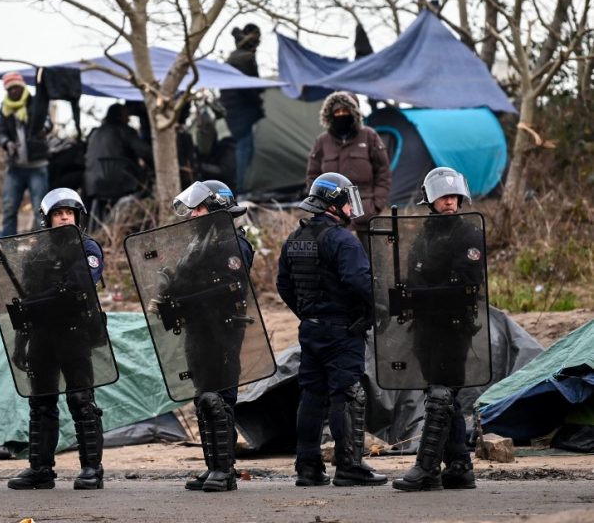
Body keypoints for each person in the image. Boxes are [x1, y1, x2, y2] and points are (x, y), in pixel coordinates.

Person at [276, 172, 387, 487]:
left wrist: (308, 313)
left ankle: (308, 468)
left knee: (312, 396)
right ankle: (349, 466)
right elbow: (360, 281)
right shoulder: (342, 240)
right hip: (343, 332)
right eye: (347, 203)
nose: (352, 210)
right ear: (335, 204)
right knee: (346, 396)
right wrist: (383, 307)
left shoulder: (295, 239)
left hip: (310, 331)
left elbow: (283, 285)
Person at [7, 188, 107, 491]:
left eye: (69, 212)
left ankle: (92, 469)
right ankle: (40, 469)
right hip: (42, 336)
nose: (64, 217)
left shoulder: (88, 248)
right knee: (40, 403)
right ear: (47, 219)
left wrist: (41, 303)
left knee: (81, 400)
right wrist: (20, 342)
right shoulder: (36, 252)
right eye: (58, 213)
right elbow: (26, 300)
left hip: (74, 333)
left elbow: (78, 285)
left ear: (78, 217)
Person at [392, 167, 484, 492]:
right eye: (443, 197)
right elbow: (415, 275)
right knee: (444, 398)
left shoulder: (467, 234)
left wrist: (421, 296)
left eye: (453, 197)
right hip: (426, 328)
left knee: (442, 395)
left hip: (453, 327)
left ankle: (426, 468)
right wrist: (401, 296)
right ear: (430, 200)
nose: (450, 203)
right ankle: (459, 466)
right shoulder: (425, 234)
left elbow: (467, 284)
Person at [167, 180, 254, 493]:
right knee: (203, 398)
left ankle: (224, 469)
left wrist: (189, 291)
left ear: (217, 208)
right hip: (197, 329)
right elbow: (183, 282)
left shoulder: (234, 243)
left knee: (220, 400)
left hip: (223, 331)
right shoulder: (198, 244)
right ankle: (212, 465)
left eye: (199, 208)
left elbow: (226, 288)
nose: (193, 214)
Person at [305, 91, 391, 251]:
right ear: (330, 115)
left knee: (371, 264)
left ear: (355, 113)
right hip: (333, 216)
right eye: (337, 112)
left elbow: (383, 173)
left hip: (366, 215)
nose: (341, 115)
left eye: (345, 111)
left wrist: (376, 205)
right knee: (337, 263)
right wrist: (323, 207)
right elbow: (312, 176)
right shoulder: (322, 141)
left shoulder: (369, 136)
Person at [0, 71, 50, 235]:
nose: (13, 91)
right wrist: (7, 143)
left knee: (40, 209)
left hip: (37, 166)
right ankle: (7, 246)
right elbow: (0, 133)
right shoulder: (5, 109)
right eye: (10, 89)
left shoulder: (35, 103)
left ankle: (44, 245)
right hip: (15, 167)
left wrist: (44, 129)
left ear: (22, 87)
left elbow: (47, 122)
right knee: (9, 207)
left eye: (16, 87)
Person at [221, 23, 265, 194]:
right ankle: (241, 189)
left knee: (245, 148)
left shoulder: (235, 56)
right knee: (244, 149)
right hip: (240, 110)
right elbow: (249, 87)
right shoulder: (244, 58)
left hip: (233, 109)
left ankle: (241, 187)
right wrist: (259, 97)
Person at [84, 103, 152, 209]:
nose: (129, 119)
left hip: (92, 184)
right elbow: (145, 151)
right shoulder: (124, 130)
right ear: (119, 116)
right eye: (126, 115)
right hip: (121, 183)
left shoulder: (95, 133)